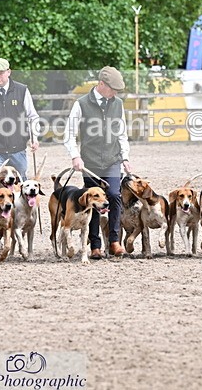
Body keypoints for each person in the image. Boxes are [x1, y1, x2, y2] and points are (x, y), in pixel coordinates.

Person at [64, 66, 132, 259]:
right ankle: (95, 245)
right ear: (101, 84)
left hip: (112, 159)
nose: (115, 94)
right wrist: (75, 156)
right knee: (92, 202)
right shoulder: (81, 104)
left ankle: (114, 241)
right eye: (112, 89)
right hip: (90, 162)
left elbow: (122, 132)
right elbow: (69, 134)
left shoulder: (117, 104)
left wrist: (125, 157)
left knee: (113, 194)